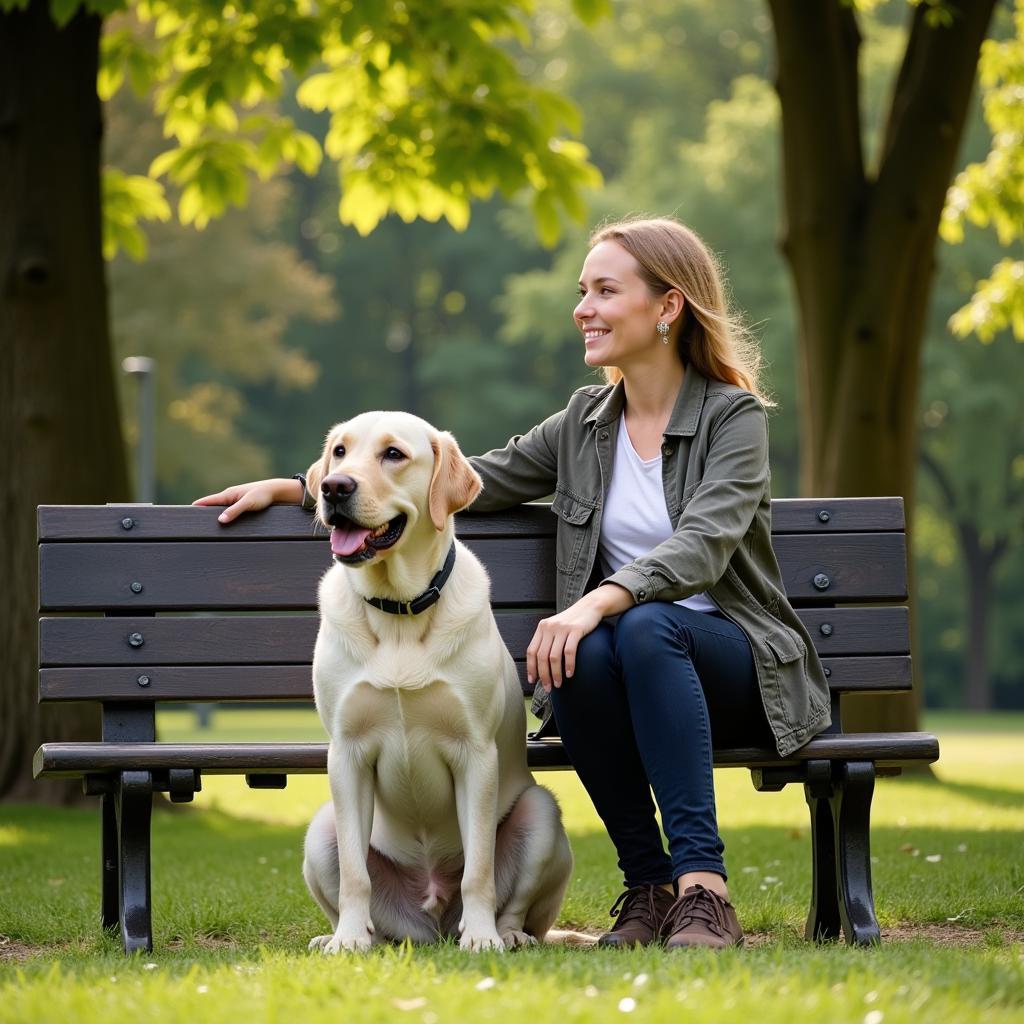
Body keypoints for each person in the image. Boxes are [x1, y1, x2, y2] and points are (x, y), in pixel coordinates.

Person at [195, 216, 831, 950]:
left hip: (738, 667)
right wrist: (307, 488)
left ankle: (703, 891)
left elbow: (706, 543)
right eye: (581, 290)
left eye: (604, 290)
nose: (582, 307)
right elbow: (458, 479)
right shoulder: (584, 423)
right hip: (630, 667)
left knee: (638, 626)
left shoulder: (733, 417)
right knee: (580, 655)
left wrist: (595, 601)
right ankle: (649, 888)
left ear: (667, 307)